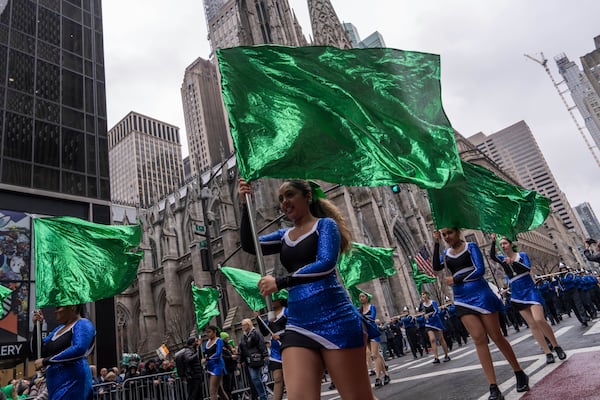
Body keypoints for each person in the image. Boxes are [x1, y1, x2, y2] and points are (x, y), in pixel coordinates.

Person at [239, 178, 377, 400]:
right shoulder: (283, 236)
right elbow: (249, 244)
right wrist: (245, 204)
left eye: (290, 195)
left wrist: (281, 282)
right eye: (281, 198)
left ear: (308, 197)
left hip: (336, 318)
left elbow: (325, 264)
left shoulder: (325, 225)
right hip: (299, 324)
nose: (284, 202)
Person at [432, 228, 529, 400]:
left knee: (496, 336)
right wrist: (436, 242)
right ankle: (493, 386)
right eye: (444, 234)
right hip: (461, 298)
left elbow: (479, 270)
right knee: (478, 338)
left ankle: (519, 372)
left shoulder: (471, 246)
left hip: (481, 294)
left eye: (449, 233)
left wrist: (456, 279)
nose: (447, 237)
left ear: (457, 232)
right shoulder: (446, 252)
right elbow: (435, 266)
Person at [490, 234, 567, 364]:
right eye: (501, 244)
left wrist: (513, 262)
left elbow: (527, 268)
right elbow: (492, 256)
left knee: (539, 319)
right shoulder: (502, 259)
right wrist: (493, 242)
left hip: (530, 290)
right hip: (517, 294)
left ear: (511, 244)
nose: (503, 246)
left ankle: (556, 345)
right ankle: (547, 352)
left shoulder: (522, 255)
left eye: (505, 243)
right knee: (532, 325)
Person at [32, 305, 96, 400]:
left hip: (74, 381)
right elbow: (40, 351)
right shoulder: (58, 329)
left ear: (72, 307)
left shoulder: (83, 323)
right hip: (54, 384)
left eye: (58, 308)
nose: (55, 311)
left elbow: (79, 349)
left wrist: (46, 361)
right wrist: (37, 326)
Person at [256, 293, 288, 400]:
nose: (271, 302)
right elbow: (265, 332)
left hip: (288, 345)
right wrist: (257, 318)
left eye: (273, 300)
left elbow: (295, 326)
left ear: (280, 300)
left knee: (291, 377)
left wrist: (282, 335)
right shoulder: (270, 315)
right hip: (275, 350)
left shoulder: (287, 311)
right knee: (277, 378)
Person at [358, 292, 390, 387]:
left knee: (374, 355)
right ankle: (386, 375)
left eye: (363, 296)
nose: (361, 298)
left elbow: (372, 317)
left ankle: (378, 378)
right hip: (365, 333)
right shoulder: (359, 309)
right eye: (360, 297)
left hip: (373, 332)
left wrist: (362, 317)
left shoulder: (372, 307)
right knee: (377, 355)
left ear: (367, 298)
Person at [237, 318, 268, 400]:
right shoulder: (243, 336)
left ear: (249, 324)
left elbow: (261, 344)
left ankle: (263, 396)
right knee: (255, 379)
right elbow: (241, 349)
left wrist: (265, 355)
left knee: (255, 377)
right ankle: (262, 395)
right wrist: (240, 360)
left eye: (244, 325)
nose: (242, 326)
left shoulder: (255, 333)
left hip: (257, 358)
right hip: (249, 360)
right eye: (242, 325)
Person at [418, 291, 451, 364]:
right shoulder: (422, 304)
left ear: (427, 295)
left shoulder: (433, 302)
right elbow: (420, 311)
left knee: (441, 339)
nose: (422, 296)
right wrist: (421, 304)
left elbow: (436, 311)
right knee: (432, 339)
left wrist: (429, 315)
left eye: (424, 294)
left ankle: (446, 355)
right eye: (422, 295)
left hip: (436, 321)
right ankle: (436, 357)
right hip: (428, 323)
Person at [202, 326, 230, 400]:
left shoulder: (219, 340)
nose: (207, 334)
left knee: (212, 391)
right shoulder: (206, 342)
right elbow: (203, 354)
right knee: (220, 391)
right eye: (206, 332)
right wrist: (198, 346)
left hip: (217, 366)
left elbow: (218, 353)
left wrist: (207, 359)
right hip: (209, 367)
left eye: (209, 332)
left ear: (214, 332)